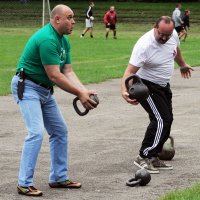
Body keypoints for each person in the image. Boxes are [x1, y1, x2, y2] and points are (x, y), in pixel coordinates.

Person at [11, 4, 98, 197]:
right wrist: (79, 94)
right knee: (35, 132)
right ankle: (23, 183)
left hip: (44, 91)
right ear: (57, 19)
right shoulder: (47, 39)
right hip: (28, 86)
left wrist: (83, 91)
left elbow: (68, 71)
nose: (74, 21)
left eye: (73, 17)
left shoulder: (63, 41)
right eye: (69, 17)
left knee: (59, 131)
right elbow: (55, 76)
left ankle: (58, 177)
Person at [121, 16, 193, 174]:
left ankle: (154, 156)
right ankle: (144, 156)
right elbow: (129, 72)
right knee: (161, 119)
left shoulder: (172, 35)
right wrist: (124, 91)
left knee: (167, 119)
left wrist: (182, 64)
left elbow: (175, 50)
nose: (165, 38)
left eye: (168, 35)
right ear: (155, 27)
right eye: (161, 34)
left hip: (163, 85)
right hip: (146, 86)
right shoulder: (144, 45)